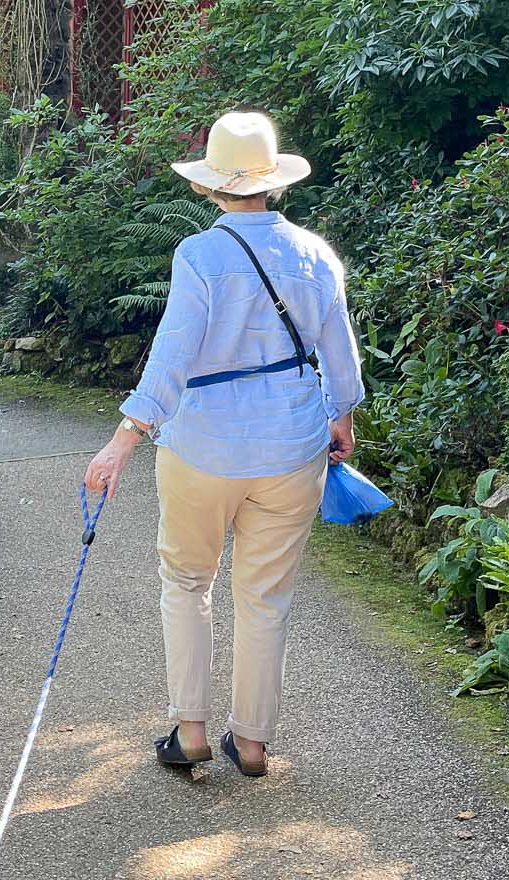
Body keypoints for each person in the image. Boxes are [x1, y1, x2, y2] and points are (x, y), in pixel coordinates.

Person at [83, 111, 364, 779]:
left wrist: (123, 439)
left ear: (210, 185)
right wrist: (341, 418)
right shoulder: (315, 253)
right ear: (273, 183)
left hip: (202, 446)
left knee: (185, 581)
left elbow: (172, 354)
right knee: (265, 596)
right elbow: (340, 357)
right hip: (292, 446)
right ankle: (255, 742)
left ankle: (190, 732)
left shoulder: (199, 255)